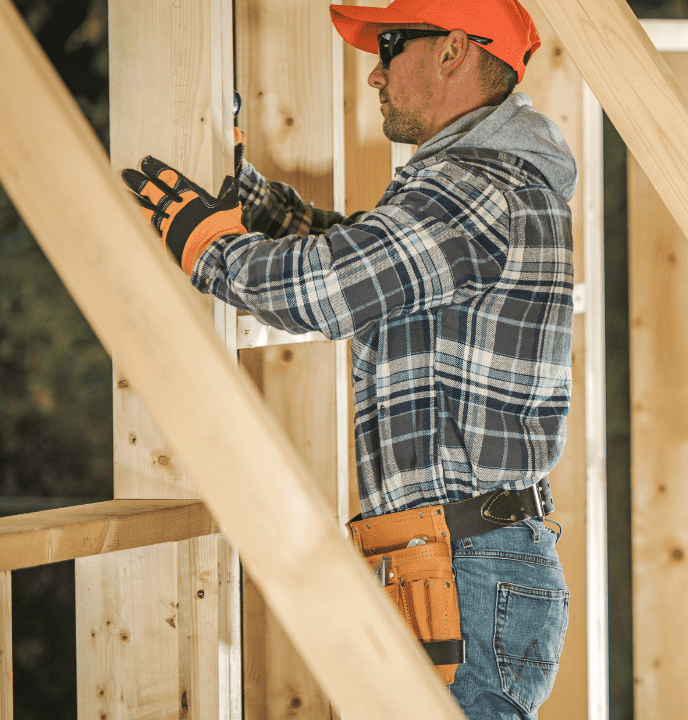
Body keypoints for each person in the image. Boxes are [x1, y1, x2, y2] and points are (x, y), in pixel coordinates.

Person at [119, 1, 577, 717]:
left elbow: (330, 289)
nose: (375, 74)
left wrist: (210, 248)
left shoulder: (476, 188)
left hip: (462, 565)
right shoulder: (488, 185)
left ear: (454, 49)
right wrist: (258, 209)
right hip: (460, 558)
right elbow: (374, 259)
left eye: (390, 45)